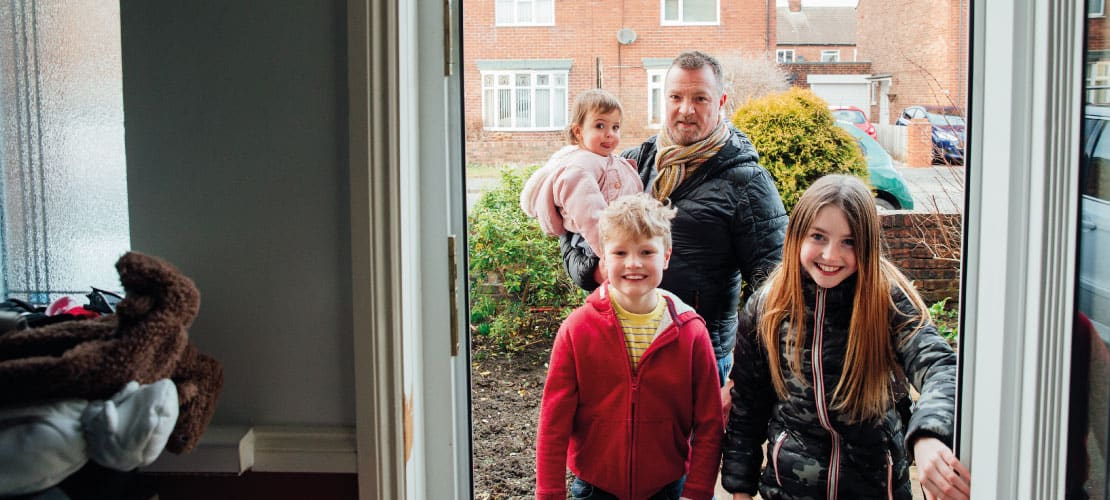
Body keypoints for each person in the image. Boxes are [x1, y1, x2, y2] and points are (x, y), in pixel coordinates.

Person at [720, 175, 969, 500]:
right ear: (796, 236)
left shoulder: (887, 302)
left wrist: (928, 435)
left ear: (867, 245)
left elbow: (941, 368)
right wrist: (740, 491)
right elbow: (746, 409)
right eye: (818, 237)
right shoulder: (768, 307)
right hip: (789, 490)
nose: (831, 255)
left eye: (848, 242)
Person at [560, 50, 788, 388]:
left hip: (698, 358)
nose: (686, 109)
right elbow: (571, 235)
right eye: (676, 97)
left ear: (721, 100)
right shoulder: (630, 164)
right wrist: (594, 269)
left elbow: (775, 291)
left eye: (700, 98)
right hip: (623, 349)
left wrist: (743, 379)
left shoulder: (748, 183)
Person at [535, 194, 724, 500]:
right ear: (604, 259)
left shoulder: (691, 333)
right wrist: (549, 493)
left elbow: (709, 423)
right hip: (596, 487)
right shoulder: (576, 331)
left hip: (669, 487)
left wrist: (698, 491)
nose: (633, 263)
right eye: (620, 252)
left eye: (646, 251)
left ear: (666, 256)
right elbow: (553, 423)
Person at [520, 88, 644, 287]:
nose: (609, 134)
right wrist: (611, 254)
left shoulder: (606, 160)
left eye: (615, 127)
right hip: (596, 241)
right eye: (600, 125)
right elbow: (590, 216)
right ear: (578, 131)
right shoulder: (580, 167)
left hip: (614, 239)